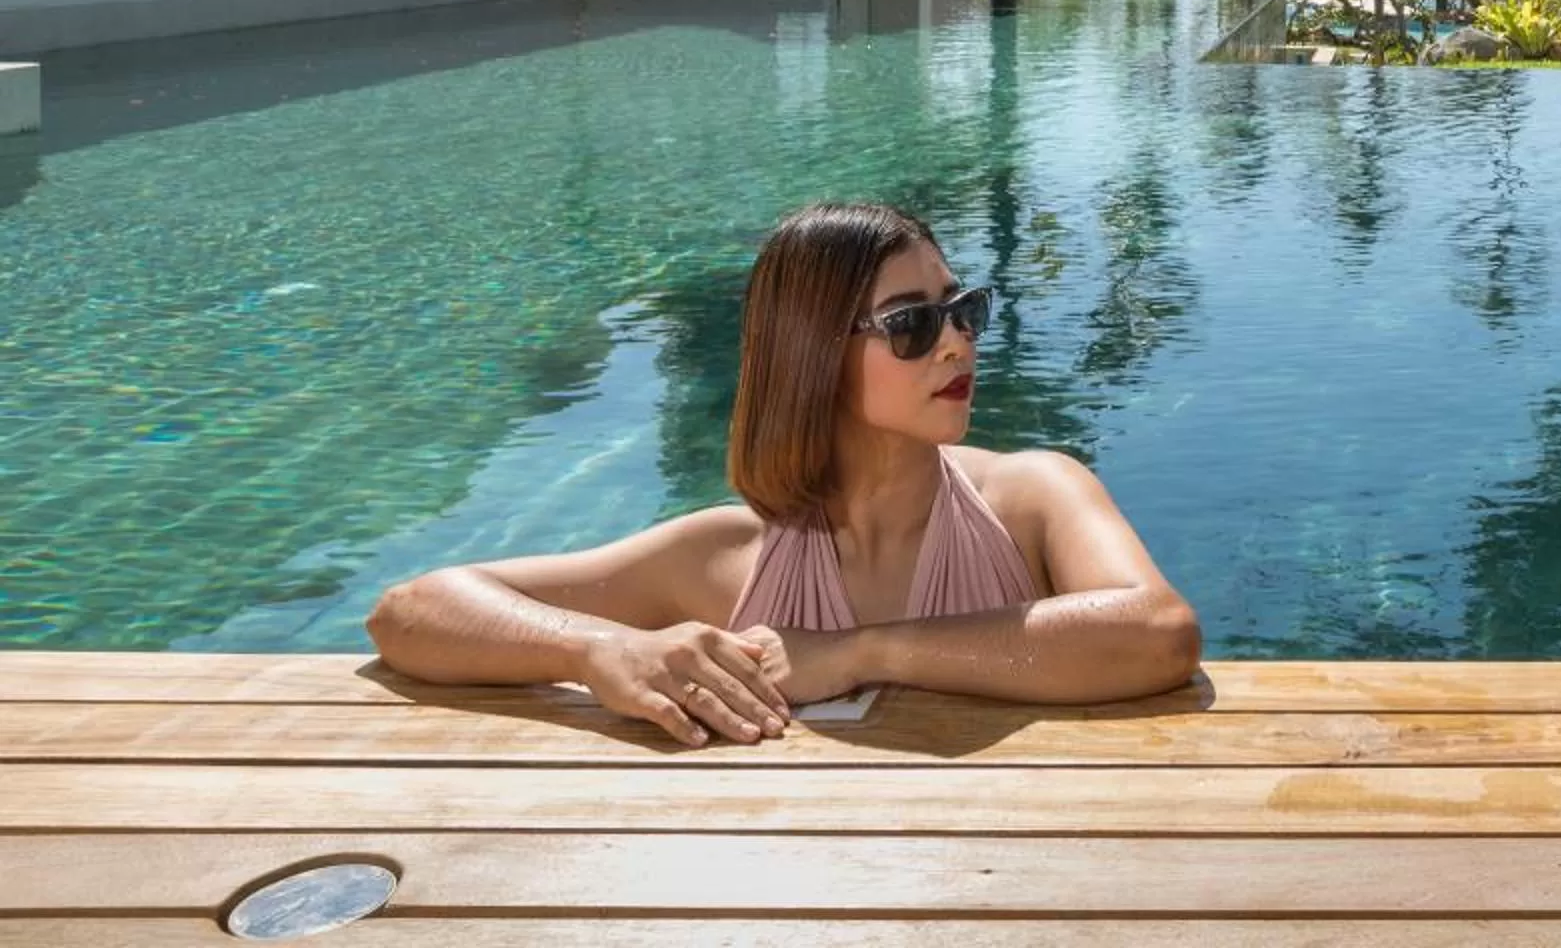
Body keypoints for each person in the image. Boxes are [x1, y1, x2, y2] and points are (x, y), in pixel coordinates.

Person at [368, 203, 1200, 745]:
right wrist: (601, 650)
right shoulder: (728, 557)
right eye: (911, 324)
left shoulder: (1031, 494)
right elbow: (411, 612)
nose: (957, 343)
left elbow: (1157, 635)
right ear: (812, 355)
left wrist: (855, 653)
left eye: (962, 308)